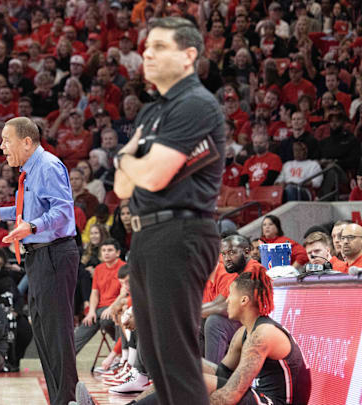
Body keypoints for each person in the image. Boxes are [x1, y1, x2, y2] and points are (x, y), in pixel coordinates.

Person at [111, 17, 225, 405]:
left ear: (189, 55)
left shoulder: (195, 104)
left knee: (175, 358)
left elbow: (154, 177)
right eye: (146, 48)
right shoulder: (151, 112)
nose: (148, 54)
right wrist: (131, 165)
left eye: (160, 47)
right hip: (147, 235)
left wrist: (126, 159)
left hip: (181, 232)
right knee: (155, 360)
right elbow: (122, 187)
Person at [0, 116, 78, 405]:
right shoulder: (30, 171)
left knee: (57, 335)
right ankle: (60, 399)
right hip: (39, 256)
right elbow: (29, 208)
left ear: (27, 142)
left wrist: (31, 227)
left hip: (54, 253)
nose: (2, 147)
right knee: (44, 334)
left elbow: (64, 212)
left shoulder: (48, 166)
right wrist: (2, 214)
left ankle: (68, 399)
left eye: (7, 140)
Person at [133, 270, 311, 405]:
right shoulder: (243, 333)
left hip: (274, 402)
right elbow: (222, 373)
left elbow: (229, 396)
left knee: (197, 384)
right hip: (259, 396)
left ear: (244, 300)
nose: (227, 301)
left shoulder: (263, 335)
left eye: (230, 295)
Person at [202, 235, 266, 364]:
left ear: (247, 252)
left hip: (258, 327)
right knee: (199, 323)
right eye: (224, 254)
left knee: (214, 322)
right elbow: (219, 301)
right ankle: (196, 374)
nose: (227, 259)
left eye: (231, 253)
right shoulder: (237, 272)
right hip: (243, 323)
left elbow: (227, 308)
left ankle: (214, 377)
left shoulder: (253, 270)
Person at [73, 238, 122, 354]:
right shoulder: (99, 269)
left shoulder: (124, 268)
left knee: (105, 321)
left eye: (110, 250)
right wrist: (91, 311)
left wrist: (111, 308)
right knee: (86, 323)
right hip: (100, 311)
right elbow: (95, 293)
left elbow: (124, 294)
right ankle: (64, 361)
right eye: (104, 250)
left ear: (118, 253)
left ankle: (120, 354)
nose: (106, 253)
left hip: (117, 309)